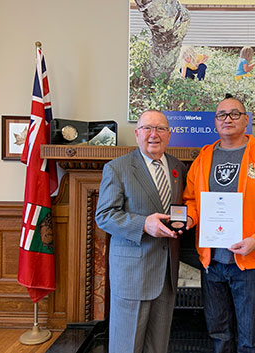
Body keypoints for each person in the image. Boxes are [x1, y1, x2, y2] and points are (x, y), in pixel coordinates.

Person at [183, 95, 255, 352]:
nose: (228, 119)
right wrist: (189, 218)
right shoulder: (204, 157)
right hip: (212, 263)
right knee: (218, 333)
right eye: (222, 115)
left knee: (250, 337)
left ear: (246, 120)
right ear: (215, 123)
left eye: (234, 114)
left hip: (249, 261)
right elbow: (191, 200)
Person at [95, 109, 187, 353]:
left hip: (166, 274)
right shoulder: (118, 168)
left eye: (160, 129)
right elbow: (104, 216)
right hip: (133, 274)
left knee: (157, 347)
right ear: (137, 134)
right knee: (127, 346)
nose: (153, 134)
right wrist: (144, 224)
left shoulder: (178, 168)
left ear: (169, 135)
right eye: (147, 128)